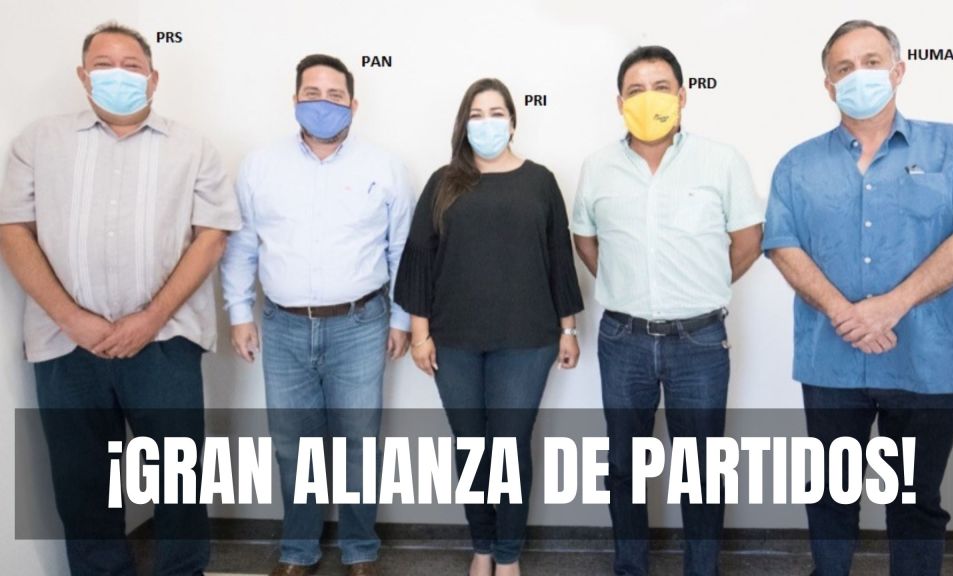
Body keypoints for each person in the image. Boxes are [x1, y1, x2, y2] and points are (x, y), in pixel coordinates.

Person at [762, 19, 953, 576]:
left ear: (898, 71)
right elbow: (782, 244)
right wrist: (844, 312)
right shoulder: (798, 165)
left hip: (926, 360)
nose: (859, 75)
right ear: (828, 85)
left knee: (915, 500)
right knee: (830, 495)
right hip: (831, 362)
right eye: (844, 68)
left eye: (872, 62)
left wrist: (890, 305)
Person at [0, 21, 240, 576]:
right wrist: (72, 319)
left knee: (178, 480)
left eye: (131, 66)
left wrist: (150, 319)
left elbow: (211, 237)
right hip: (64, 345)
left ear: (153, 78)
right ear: (83, 76)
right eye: (104, 65)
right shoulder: (39, 142)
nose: (118, 75)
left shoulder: (192, 147)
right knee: (82, 483)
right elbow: (13, 231)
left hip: (165, 342)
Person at [571, 46, 763, 576]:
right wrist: (627, 285)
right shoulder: (598, 167)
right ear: (619, 102)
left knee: (701, 468)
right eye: (635, 90)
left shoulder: (721, 161)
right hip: (623, 339)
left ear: (682, 95)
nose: (648, 98)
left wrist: (701, 285)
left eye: (660, 87)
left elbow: (748, 241)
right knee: (624, 465)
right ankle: (630, 567)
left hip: (699, 341)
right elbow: (586, 241)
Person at [219, 54, 413, 576]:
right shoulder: (260, 165)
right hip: (282, 325)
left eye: (334, 95)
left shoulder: (385, 166)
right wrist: (239, 312)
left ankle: (360, 550)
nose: (322, 104)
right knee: (292, 444)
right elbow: (243, 245)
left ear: (353, 103)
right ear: (294, 100)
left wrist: (401, 319)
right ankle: (298, 550)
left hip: (360, 324)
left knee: (359, 442)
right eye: (311, 93)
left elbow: (402, 250)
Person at [394, 77, 584, 576]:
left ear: (513, 122)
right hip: (454, 339)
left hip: (527, 339)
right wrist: (419, 334)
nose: (487, 123)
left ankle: (508, 553)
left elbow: (558, 259)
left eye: (496, 113)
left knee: (510, 445)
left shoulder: (540, 181)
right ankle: (482, 545)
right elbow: (419, 259)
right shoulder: (443, 182)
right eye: (476, 114)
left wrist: (568, 330)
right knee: (470, 445)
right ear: (463, 125)